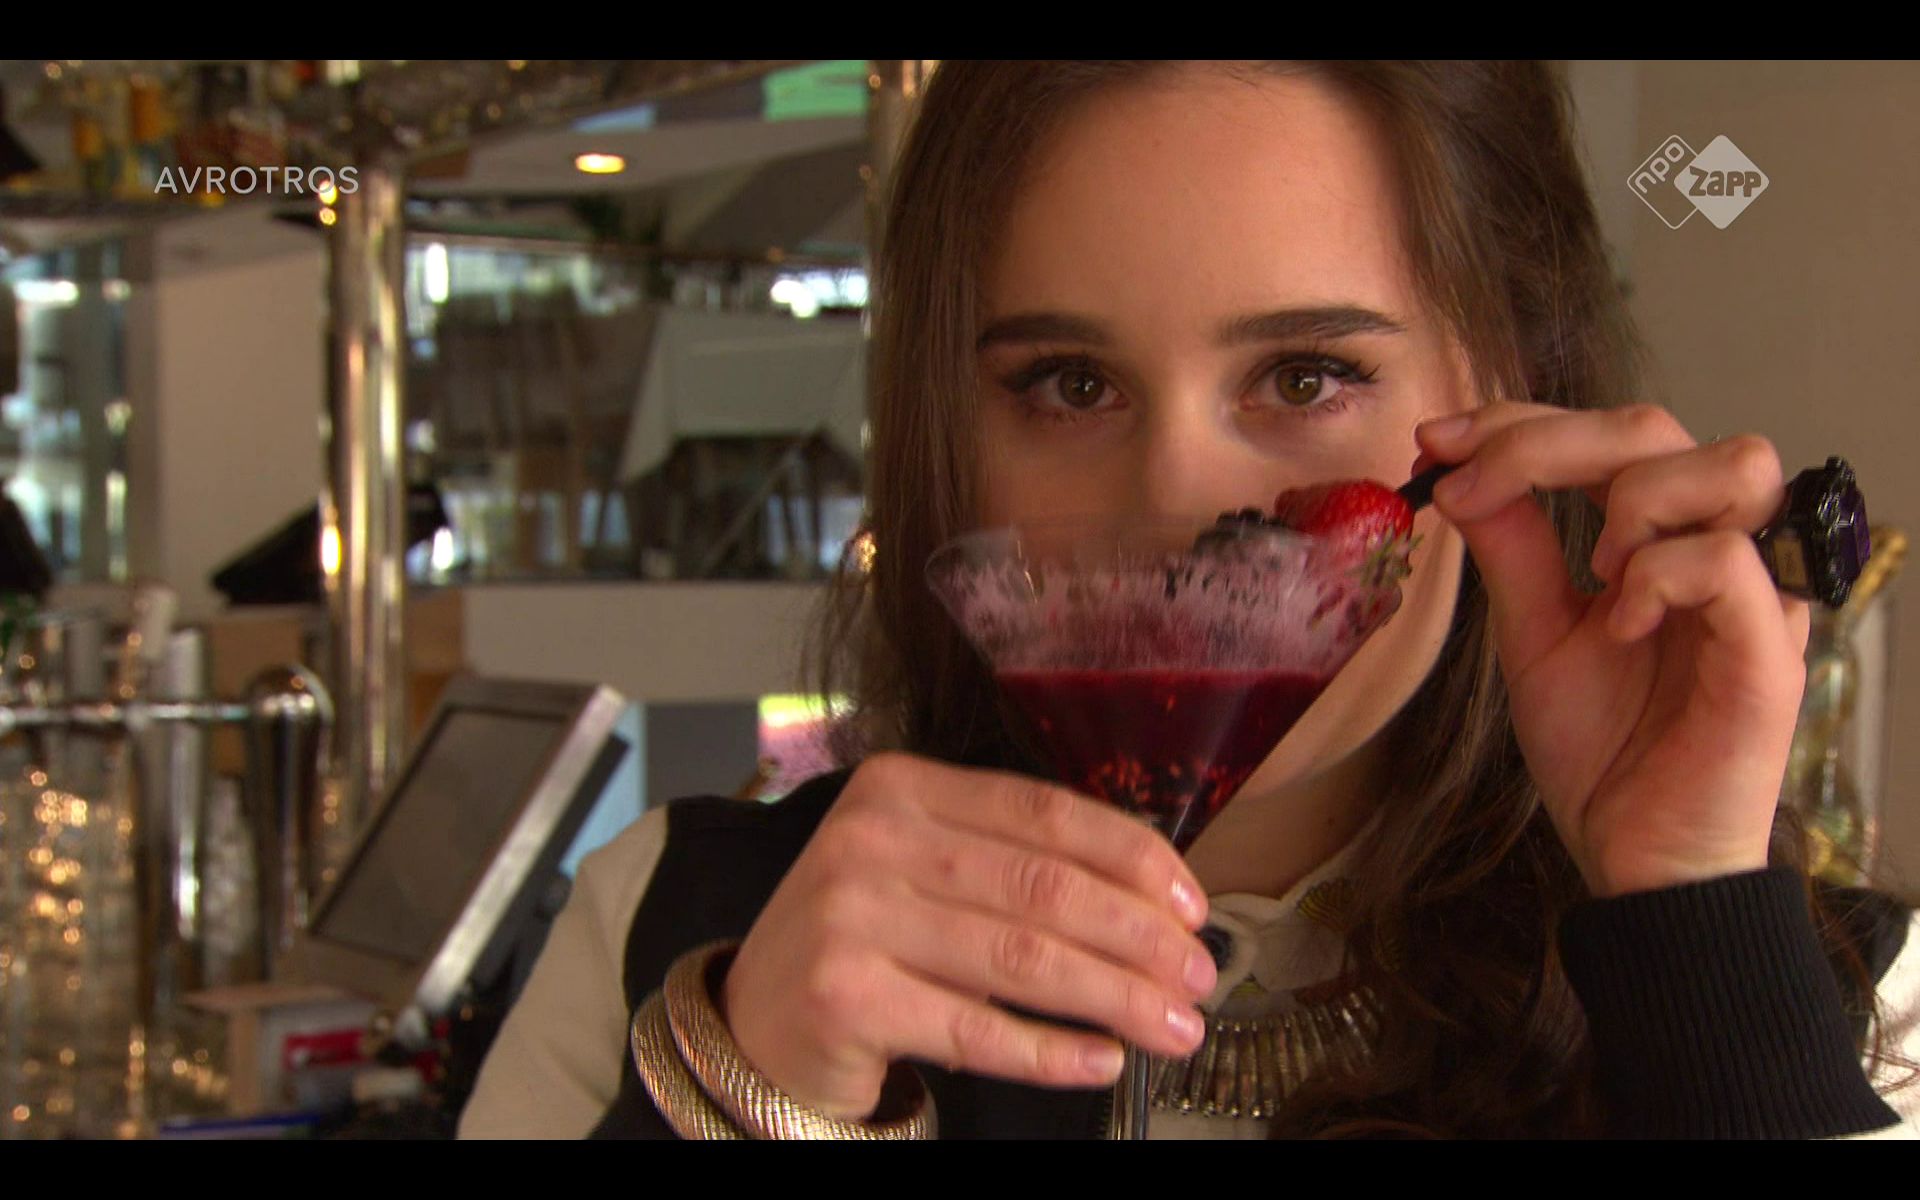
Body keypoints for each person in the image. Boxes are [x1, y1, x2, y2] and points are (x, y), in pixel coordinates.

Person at [457, 60, 1919, 1140]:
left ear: (1507, 396)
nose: (1175, 504)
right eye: (1068, 384)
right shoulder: (668, 931)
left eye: (1306, 377)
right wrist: (749, 1093)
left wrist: (1692, 923)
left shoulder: (1861, 1000)